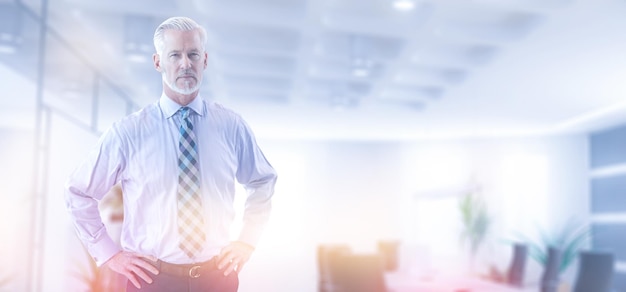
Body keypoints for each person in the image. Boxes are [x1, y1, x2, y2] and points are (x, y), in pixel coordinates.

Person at [65, 16, 277, 292]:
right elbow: (78, 191)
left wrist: (247, 240)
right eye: (175, 55)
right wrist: (109, 253)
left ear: (205, 60)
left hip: (217, 278)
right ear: (157, 62)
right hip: (150, 280)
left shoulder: (230, 126)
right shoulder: (128, 133)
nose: (185, 63)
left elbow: (262, 181)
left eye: (193, 54)